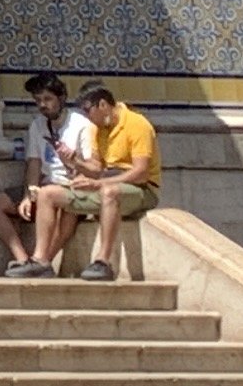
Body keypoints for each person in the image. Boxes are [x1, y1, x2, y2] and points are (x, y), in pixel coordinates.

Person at [37, 82, 159, 277]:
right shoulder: (97, 129)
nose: (87, 117)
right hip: (105, 187)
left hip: (140, 190)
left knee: (109, 192)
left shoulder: (137, 124)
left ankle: (103, 261)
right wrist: (75, 162)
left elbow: (141, 172)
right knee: (47, 194)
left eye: (88, 110)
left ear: (102, 105)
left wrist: (99, 183)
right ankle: (41, 260)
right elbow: (95, 168)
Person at [0, 75, 86, 275]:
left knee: (58, 203)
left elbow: (91, 165)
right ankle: (23, 260)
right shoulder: (37, 125)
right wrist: (27, 195)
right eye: (38, 100)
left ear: (61, 98)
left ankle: (43, 261)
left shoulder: (80, 124)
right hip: (46, 184)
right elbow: (34, 163)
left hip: (70, 187)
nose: (43, 105)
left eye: (47, 99)